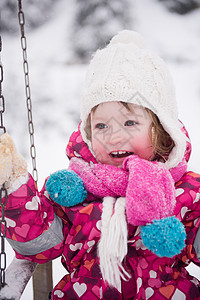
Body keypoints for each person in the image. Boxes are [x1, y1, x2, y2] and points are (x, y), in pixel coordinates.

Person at [0, 30, 200, 299]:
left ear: (161, 130)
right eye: (101, 125)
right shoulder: (73, 191)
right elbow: (39, 243)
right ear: (88, 134)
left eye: (130, 123)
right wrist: (14, 186)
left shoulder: (184, 192)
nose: (114, 135)